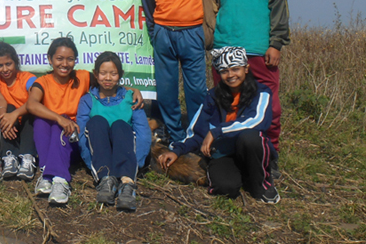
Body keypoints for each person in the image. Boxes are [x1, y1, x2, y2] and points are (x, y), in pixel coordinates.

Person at [139, 0, 232, 143]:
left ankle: (197, 136)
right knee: (167, 93)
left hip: (192, 31)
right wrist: (156, 33)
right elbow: (149, 5)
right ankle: (176, 137)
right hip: (163, 33)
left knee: (197, 92)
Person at [158, 47, 280, 204]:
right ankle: (241, 175)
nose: (230, 75)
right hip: (223, 151)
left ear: (246, 68)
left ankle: (261, 184)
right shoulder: (212, 96)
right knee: (224, 188)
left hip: (249, 149)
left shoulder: (261, 92)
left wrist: (217, 131)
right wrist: (177, 150)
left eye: (235, 69)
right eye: (224, 71)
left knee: (250, 137)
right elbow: (197, 131)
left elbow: (257, 121)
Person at [212, 0, 289, 154]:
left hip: (259, 48)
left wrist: (276, 43)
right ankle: (226, 153)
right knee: (225, 104)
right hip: (225, 47)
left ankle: (270, 152)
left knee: (270, 107)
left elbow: (279, 7)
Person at [76, 52, 151, 211]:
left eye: (113, 73)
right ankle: (106, 179)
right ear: (96, 74)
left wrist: (135, 165)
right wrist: (91, 165)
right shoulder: (88, 100)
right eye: (103, 73)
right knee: (96, 122)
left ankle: (127, 182)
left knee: (120, 125)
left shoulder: (131, 99)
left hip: (125, 153)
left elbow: (143, 133)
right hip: (100, 157)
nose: (108, 78)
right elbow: (83, 137)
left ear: (121, 75)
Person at [25, 38, 91, 205]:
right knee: (42, 120)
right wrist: (58, 118)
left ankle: (60, 180)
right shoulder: (43, 82)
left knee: (62, 124)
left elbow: (109, 82)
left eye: (70, 59)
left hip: (73, 140)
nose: (65, 64)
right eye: (59, 58)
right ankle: (47, 175)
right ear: (50, 59)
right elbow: (31, 104)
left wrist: (132, 90)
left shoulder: (83, 77)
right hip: (54, 137)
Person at [0, 42, 37, 181]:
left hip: (27, 125)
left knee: (31, 110)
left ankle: (27, 157)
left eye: (8, 64)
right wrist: (5, 119)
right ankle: (9, 157)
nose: (5, 69)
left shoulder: (28, 78)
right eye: (0, 65)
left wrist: (14, 115)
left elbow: (33, 100)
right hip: (8, 125)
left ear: (16, 62)